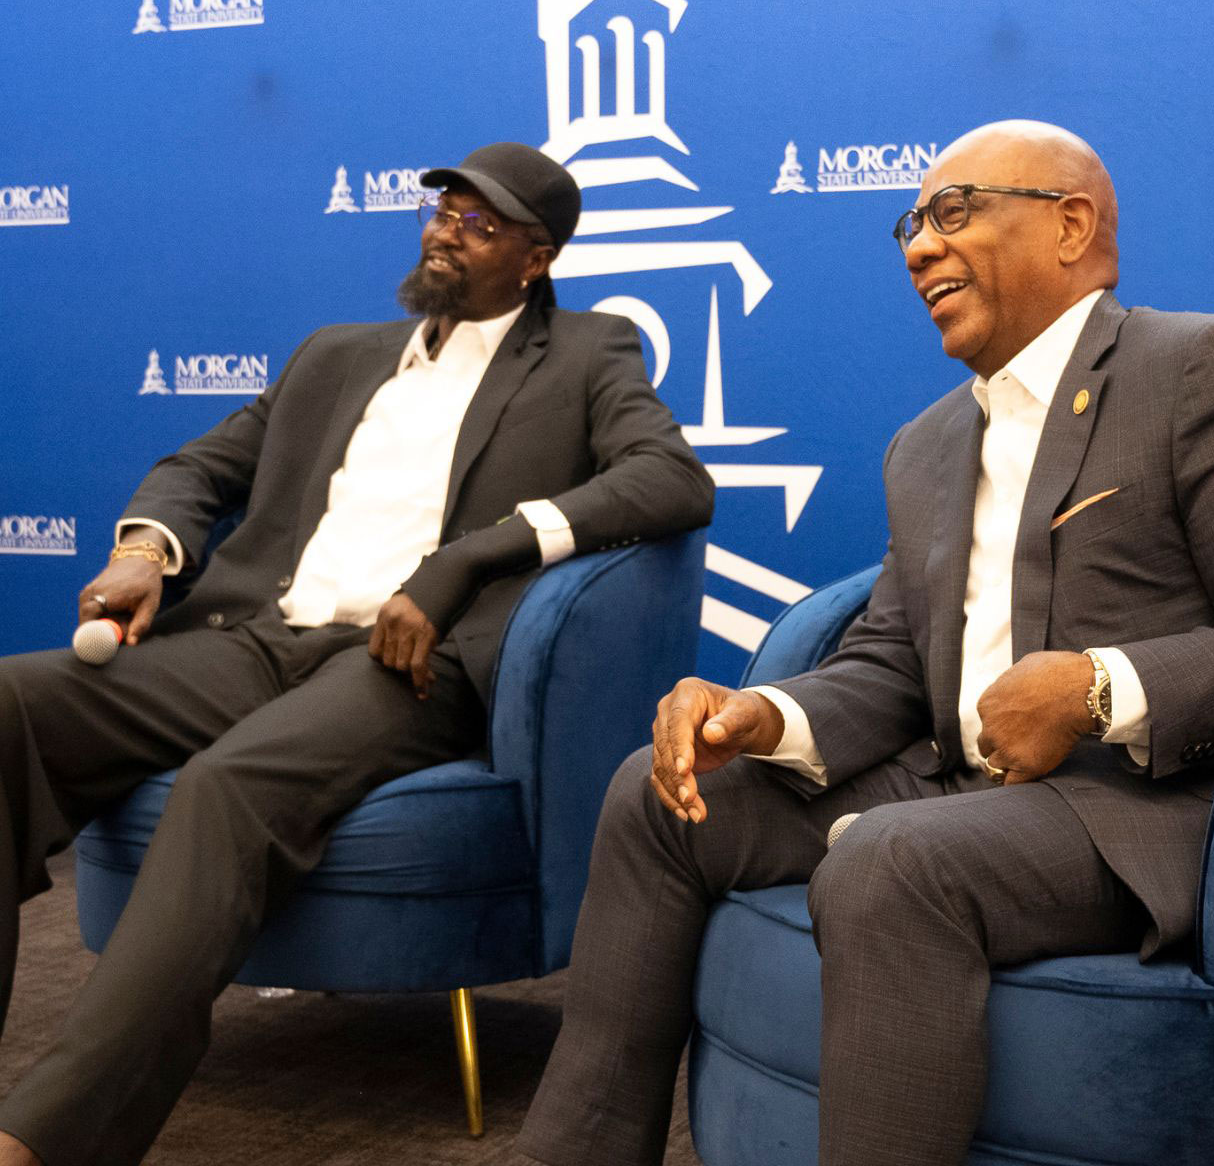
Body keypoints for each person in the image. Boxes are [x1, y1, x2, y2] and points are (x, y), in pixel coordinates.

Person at [518, 120, 1214, 1165]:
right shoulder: (924, 444)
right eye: (912, 224)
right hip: (950, 785)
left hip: (1132, 809)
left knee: (892, 860)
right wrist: (762, 717)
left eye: (954, 211)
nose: (920, 246)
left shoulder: (1199, 366)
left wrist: (1096, 688)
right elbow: (890, 659)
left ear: (1071, 226)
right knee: (660, 796)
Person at [0, 142, 714, 1166]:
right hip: (255, 638)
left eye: (479, 223)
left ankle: (43, 1137)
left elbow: (672, 479)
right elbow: (200, 467)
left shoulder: (588, 351)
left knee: (227, 788)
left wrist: (468, 557)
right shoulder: (334, 353)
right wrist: (144, 550)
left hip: (405, 666)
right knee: (13, 702)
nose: (445, 232)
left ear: (537, 257)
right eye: (442, 211)